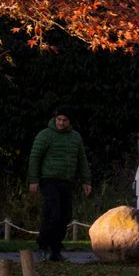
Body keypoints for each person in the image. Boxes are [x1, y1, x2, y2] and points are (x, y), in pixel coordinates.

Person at [26, 106, 92, 261]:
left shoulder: (75, 137)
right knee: (52, 214)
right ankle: (42, 245)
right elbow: (35, 157)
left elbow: (82, 160)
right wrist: (33, 180)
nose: (61, 123)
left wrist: (86, 181)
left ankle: (55, 249)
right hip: (49, 179)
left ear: (69, 122)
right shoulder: (45, 135)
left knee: (65, 216)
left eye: (64, 120)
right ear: (55, 119)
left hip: (66, 181)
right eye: (59, 120)